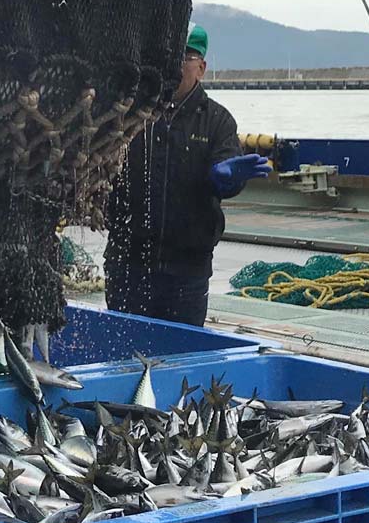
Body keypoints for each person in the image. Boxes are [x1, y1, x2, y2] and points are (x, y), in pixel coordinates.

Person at [104, 23, 269, 326]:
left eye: (182, 59)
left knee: (182, 359)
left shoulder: (218, 121)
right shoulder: (127, 113)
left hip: (187, 272)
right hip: (127, 264)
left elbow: (227, 168)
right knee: (122, 351)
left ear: (201, 67)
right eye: (164, 59)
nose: (171, 68)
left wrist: (227, 177)